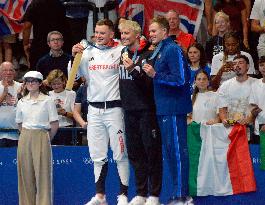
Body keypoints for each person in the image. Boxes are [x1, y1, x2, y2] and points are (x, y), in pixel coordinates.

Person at [72, 19, 129, 205]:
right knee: (97, 155)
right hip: (94, 110)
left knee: (120, 153)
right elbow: (74, 77)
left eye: (102, 33)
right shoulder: (86, 52)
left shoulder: (121, 50)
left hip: (115, 109)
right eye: (96, 32)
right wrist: (74, 56)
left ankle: (122, 196)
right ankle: (100, 196)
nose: (98, 36)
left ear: (112, 34)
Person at [143, 16, 193, 205]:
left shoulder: (172, 49)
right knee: (172, 152)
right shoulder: (160, 50)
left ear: (165, 31)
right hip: (164, 109)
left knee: (177, 152)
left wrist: (156, 74)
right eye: (150, 31)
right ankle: (178, 194)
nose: (151, 34)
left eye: (154, 30)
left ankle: (181, 196)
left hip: (173, 109)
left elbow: (180, 79)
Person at [119, 20, 162, 205]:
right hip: (128, 111)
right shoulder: (122, 52)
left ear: (137, 35)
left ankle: (154, 195)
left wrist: (133, 70)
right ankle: (141, 193)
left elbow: (150, 85)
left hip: (147, 111)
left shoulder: (149, 54)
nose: (123, 37)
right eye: (121, 33)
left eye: (126, 33)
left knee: (151, 152)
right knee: (135, 154)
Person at [15, 71, 59, 205]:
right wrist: (27, 136)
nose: (30, 84)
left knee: (43, 175)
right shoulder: (22, 101)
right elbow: (19, 123)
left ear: (40, 83)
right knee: (25, 175)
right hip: (25, 136)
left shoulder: (48, 100)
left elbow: (54, 124)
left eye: (34, 81)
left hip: (42, 135)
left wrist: (44, 139)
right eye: (28, 81)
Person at [22, 0, 70, 69]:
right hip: (56, 45)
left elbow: (27, 26)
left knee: (36, 75)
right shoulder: (59, 4)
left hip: (39, 46)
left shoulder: (35, 4)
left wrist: (25, 44)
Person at [218, 55, 256, 130]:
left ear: (247, 66)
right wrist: (224, 120)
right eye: (234, 64)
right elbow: (222, 108)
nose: (237, 65)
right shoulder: (225, 85)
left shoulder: (256, 83)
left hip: (251, 128)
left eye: (240, 63)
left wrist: (249, 119)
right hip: (231, 128)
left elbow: (259, 107)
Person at [46, 69, 76, 145]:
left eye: (58, 83)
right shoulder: (48, 95)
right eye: (53, 84)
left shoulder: (71, 94)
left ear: (63, 82)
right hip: (51, 129)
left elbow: (76, 116)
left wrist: (65, 113)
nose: (56, 86)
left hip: (67, 129)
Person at [0, 62, 22, 147]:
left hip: (16, 134)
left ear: (14, 72)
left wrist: (21, 96)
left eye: (11, 70)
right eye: (5, 70)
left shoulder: (21, 87)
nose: (8, 73)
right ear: (0, 72)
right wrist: (4, 93)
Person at [249, 56, 265, 139]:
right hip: (259, 128)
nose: (264, 67)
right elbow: (253, 106)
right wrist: (254, 111)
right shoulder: (255, 84)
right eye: (262, 65)